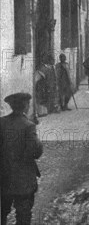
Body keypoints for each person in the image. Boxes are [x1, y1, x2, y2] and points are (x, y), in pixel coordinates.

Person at [1, 93, 43, 225]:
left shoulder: (1, 122)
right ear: (25, 106)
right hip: (23, 178)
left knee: (1, 213)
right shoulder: (28, 125)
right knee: (23, 215)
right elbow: (35, 152)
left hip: (3, 177)